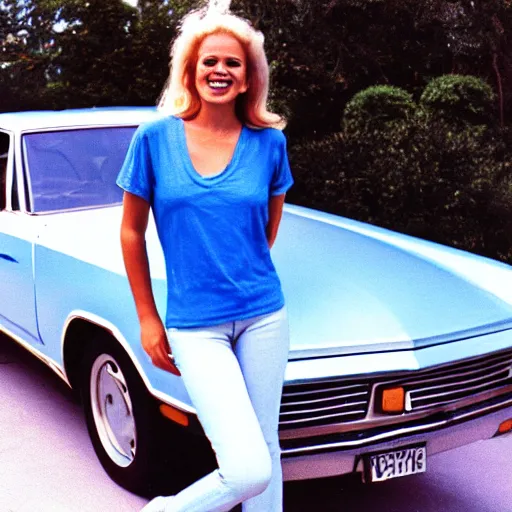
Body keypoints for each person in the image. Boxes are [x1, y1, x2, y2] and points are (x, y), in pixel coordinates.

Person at [116, 5, 293, 512]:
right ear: (191, 71)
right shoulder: (153, 139)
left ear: (247, 78)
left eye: (233, 63)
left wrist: (238, 272)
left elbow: (264, 230)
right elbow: (131, 232)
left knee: (267, 449)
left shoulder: (269, 144)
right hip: (196, 325)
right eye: (209, 61)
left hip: (265, 315)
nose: (221, 70)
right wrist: (149, 319)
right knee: (245, 468)